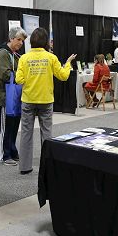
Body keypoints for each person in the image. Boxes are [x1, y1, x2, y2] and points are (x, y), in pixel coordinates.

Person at [15, 27, 76, 175]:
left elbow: (18, 80)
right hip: (46, 101)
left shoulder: (24, 58)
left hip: (28, 100)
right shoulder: (51, 58)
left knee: (26, 134)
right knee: (47, 134)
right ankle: (48, 166)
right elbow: (63, 76)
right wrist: (68, 63)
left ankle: (24, 167)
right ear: (46, 41)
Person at [0, 27, 28, 166]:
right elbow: (5, 75)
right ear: (11, 38)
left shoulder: (15, 55)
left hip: (15, 96)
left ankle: (12, 151)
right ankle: (3, 155)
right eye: (19, 39)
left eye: (23, 40)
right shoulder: (3, 54)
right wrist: (21, 77)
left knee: (14, 126)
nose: (21, 43)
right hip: (5, 96)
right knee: (6, 127)